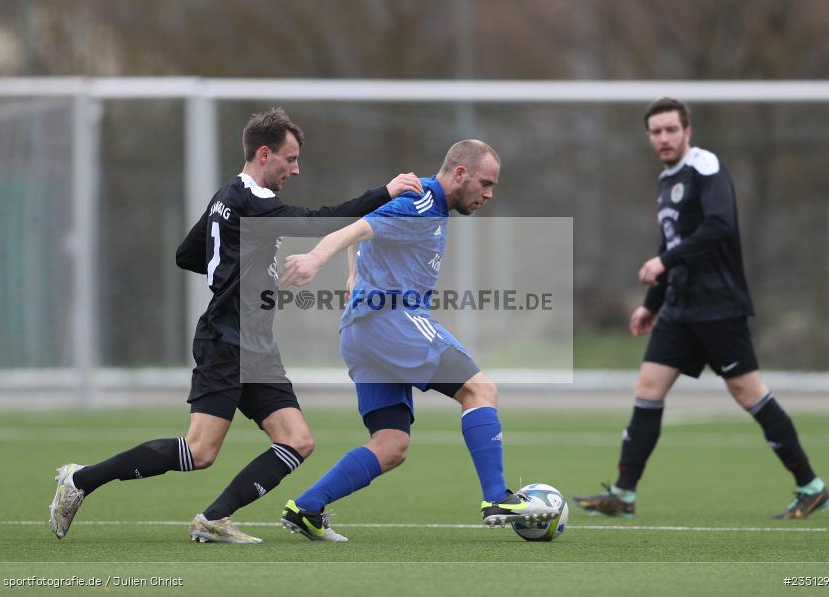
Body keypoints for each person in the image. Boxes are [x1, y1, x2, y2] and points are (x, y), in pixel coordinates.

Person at [48, 108, 423, 543]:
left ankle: (214, 517)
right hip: (226, 341)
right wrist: (385, 192)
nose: (296, 169)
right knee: (200, 451)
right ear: (264, 154)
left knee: (297, 441)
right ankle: (80, 480)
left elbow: (188, 254)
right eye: (290, 158)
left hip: (254, 343)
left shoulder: (226, 195)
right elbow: (320, 221)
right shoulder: (254, 201)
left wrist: (244, 271)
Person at [276, 140, 559, 542]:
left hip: (360, 331)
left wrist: (353, 274)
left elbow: (367, 221)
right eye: (485, 183)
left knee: (391, 445)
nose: (489, 194)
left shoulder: (421, 201)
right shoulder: (422, 203)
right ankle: (497, 498)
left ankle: (306, 507)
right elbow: (356, 227)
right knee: (480, 391)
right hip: (392, 319)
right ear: (460, 173)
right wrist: (316, 259)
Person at [572, 98, 829, 520]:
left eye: (671, 129)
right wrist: (651, 304)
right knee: (647, 390)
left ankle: (811, 486)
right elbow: (670, 247)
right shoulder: (664, 181)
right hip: (678, 310)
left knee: (749, 394)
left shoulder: (705, 167)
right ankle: (623, 493)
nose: (664, 138)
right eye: (656, 131)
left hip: (718, 307)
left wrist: (664, 264)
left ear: (687, 131)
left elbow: (719, 225)